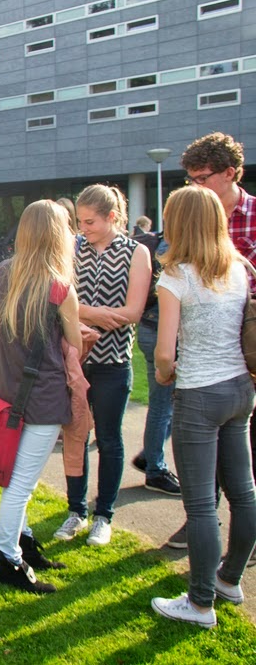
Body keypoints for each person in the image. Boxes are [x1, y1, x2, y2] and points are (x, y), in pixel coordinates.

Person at [150, 185, 256, 629]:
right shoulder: (240, 267)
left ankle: (199, 603)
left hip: (199, 394)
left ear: (177, 224)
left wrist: (163, 374)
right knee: (243, 493)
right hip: (240, 389)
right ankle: (229, 580)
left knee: (200, 506)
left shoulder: (176, 276)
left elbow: (164, 353)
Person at [0, 200, 82, 594]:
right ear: (59, 235)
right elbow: (76, 343)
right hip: (43, 396)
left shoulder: (2, 274)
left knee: (15, 479)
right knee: (21, 485)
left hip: (9, 390)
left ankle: (24, 544)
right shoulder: (59, 286)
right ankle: (10, 560)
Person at [54, 184, 150, 547]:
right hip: (75, 360)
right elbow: (57, 298)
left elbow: (133, 311)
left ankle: (104, 514)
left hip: (113, 361)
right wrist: (94, 313)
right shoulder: (73, 248)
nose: (83, 228)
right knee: (75, 436)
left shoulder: (135, 252)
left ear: (112, 217)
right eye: (79, 221)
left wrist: (80, 312)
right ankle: (75, 510)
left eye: (89, 222)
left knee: (109, 439)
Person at [179, 131, 256, 566]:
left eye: (202, 178)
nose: (196, 186)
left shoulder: (254, 216)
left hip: (248, 352)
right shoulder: (193, 217)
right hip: (209, 356)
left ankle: (235, 552)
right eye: (190, 179)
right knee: (205, 464)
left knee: (245, 471)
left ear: (230, 173)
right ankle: (203, 524)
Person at [128, 228, 181, 498]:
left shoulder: (160, 243)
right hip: (164, 333)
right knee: (166, 405)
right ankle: (154, 468)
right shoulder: (175, 249)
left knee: (165, 404)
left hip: (152, 329)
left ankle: (150, 456)